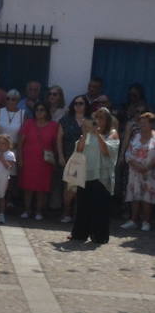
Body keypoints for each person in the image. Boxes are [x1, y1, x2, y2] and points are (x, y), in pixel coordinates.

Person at [69, 108, 120, 245]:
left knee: (99, 207)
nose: (98, 120)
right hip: (86, 173)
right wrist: (86, 133)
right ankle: (79, 234)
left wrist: (97, 134)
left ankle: (99, 236)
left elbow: (107, 151)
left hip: (102, 176)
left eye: (102, 117)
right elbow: (79, 150)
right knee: (83, 205)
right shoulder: (88, 133)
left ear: (107, 120)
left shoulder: (112, 133)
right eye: (96, 117)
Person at [17, 102, 61, 220]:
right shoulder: (28, 123)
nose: (39, 112)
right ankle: (27, 210)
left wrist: (55, 159)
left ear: (46, 112)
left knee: (42, 187)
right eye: (37, 110)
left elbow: (56, 144)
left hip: (45, 161)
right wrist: (20, 158)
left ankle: (39, 211)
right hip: (29, 159)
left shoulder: (54, 125)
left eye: (42, 110)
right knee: (28, 186)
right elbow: (20, 143)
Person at [121, 112, 155, 232]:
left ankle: (146, 222)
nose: (142, 125)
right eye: (140, 123)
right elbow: (128, 153)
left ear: (151, 124)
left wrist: (146, 167)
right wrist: (136, 165)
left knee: (147, 197)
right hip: (134, 171)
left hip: (149, 173)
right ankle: (133, 220)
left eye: (144, 123)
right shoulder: (135, 137)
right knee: (135, 196)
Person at [58, 96, 89, 224]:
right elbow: (59, 139)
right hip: (69, 157)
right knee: (69, 188)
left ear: (86, 105)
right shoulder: (66, 120)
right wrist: (60, 156)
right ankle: (66, 213)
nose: (78, 105)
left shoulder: (91, 121)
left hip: (86, 158)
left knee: (83, 188)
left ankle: (80, 215)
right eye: (76, 103)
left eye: (81, 103)